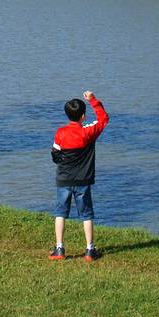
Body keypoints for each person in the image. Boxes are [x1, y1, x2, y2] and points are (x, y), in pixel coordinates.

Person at [49, 91, 109, 261]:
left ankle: (59, 249)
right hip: (83, 180)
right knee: (87, 214)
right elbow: (103, 119)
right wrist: (92, 100)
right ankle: (90, 250)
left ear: (67, 115)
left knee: (60, 213)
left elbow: (55, 155)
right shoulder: (88, 132)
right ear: (83, 116)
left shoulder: (60, 133)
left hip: (64, 179)